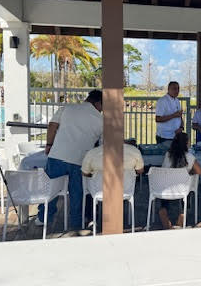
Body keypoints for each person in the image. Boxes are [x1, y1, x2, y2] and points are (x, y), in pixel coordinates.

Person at [37, 89, 103, 230]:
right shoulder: (101, 120)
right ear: (98, 103)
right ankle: (76, 222)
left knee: (50, 189)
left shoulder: (68, 108)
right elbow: (102, 145)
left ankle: (43, 218)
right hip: (81, 159)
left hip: (58, 155)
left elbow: (52, 126)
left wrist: (49, 144)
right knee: (76, 193)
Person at [160, 132, 201, 229]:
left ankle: (163, 211)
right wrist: (190, 172)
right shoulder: (190, 157)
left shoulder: (168, 155)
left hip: (167, 187)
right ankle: (182, 215)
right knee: (188, 190)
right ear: (186, 143)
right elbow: (199, 171)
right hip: (182, 188)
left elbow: (164, 168)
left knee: (164, 200)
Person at [80, 142, 145, 176]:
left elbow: (84, 173)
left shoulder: (92, 153)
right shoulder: (134, 151)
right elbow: (140, 170)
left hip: (99, 192)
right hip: (126, 191)